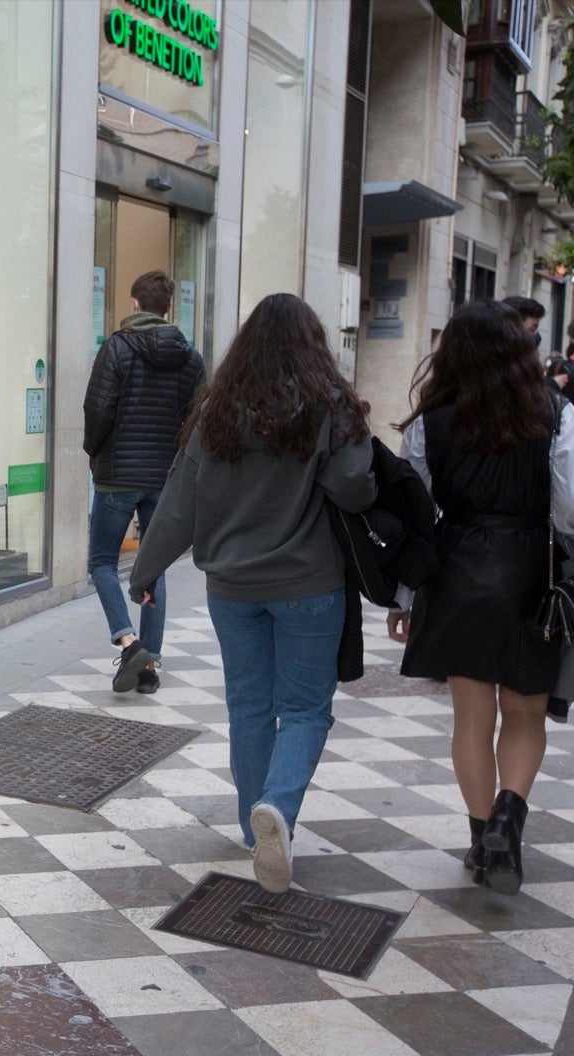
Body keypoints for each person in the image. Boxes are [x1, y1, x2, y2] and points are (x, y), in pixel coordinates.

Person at [129, 293, 375, 894]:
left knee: (248, 706)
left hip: (232, 590)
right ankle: (279, 812)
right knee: (307, 710)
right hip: (308, 586)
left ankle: (252, 827)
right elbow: (356, 489)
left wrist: (145, 572)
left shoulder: (217, 409)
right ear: (312, 343)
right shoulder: (329, 407)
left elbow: (180, 499)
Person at [387, 300, 573, 896]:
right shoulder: (557, 415)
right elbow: (569, 510)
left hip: (455, 566)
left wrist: (403, 598)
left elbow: (414, 514)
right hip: (530, 570)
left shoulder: (430, 420)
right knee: (525, 713)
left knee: (473, 717)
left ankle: (479, 840)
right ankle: (507, 823)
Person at [83, 269, 206, 694]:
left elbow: (97, 409)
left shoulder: (116, 348)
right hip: (164, 477)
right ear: (168, 307)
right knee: (153, 568)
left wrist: (94, 452)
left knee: (101, 562)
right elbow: (197, 423)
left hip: (117, 475)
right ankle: (148, 667)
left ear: (135, 304)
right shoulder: (191, 358)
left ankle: (128, 640)